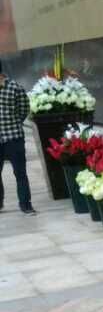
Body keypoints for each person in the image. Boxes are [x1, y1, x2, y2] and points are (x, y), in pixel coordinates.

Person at [0, 59, 36, 214]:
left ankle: (25, 204)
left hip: (14, 138)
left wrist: (14, 123)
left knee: (20, 173)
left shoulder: (15, 87)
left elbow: (24, 109)